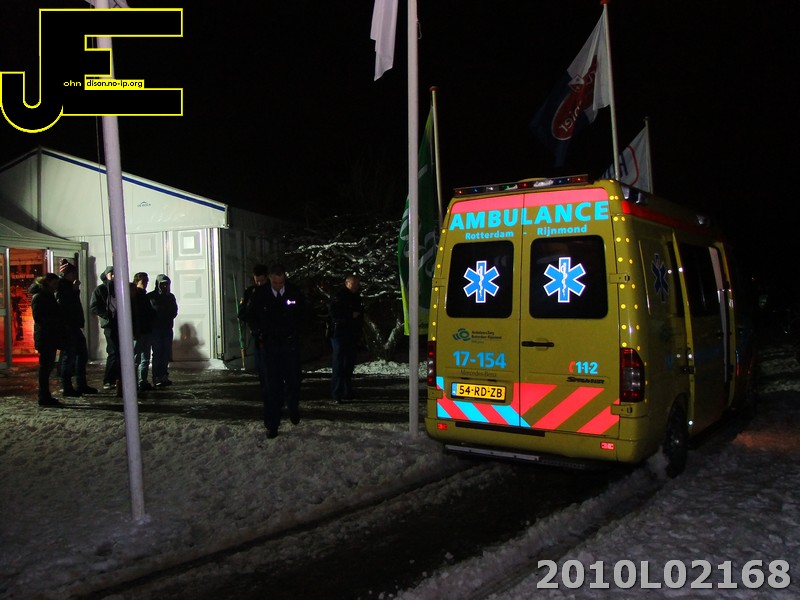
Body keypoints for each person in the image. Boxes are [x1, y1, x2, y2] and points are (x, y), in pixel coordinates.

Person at [242, 263, 306, 439]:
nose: (278, 286)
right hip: (269, 346)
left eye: (281, 282)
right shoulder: (260, 294)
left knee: (293, 381)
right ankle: (272, 423)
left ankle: (292, 406)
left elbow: (304, 315)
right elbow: (249, 316)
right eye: (275, 282)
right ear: (270, 279)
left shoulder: (293, 292)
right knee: (271, 386)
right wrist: (259, 332)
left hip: (290, 345)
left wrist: (297, 333)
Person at [56, 259, 97, 396]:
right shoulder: (62, 287)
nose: (75, 276)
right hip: (68, 326)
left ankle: (81, 384)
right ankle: (67, 386)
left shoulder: (67, 286)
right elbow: (65, 306)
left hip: (73, 326)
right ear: (67, 274)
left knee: (81, 354)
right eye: (73, 273)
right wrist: (74, 291)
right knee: (69, 357)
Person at [30, 273, 66, 407]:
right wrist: (54, 322)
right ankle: (44, 396)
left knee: (47, 367)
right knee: (45, 367)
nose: (56, 286)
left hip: (49, 336)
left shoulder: (48, 295)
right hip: (46, 336)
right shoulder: (40, 297)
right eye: (54, 283)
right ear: (48, 283)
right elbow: (39, 318)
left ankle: (45, 395)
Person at [329, 273, 364, 403]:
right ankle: (337, 393)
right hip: (340, 333)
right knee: (339, 364)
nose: (355, 286)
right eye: (353, 284)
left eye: (357, 284)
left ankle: (346, 391)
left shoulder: (355, 296)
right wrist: (350, 315)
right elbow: (334, 314)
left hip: (351, 333)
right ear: (347, 283)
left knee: (348, 364)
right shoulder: (339, 296)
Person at [238, 264, 269, 388]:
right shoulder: (250, 292)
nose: (259, 284)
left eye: (262, 281)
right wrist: (250, 317)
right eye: (257, 281)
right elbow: (242, 313)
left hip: (271, 332)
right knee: (260, 364)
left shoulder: (271, 290)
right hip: (257, 332)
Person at [89, 266, 120, 392]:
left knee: (120, 352)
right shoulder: (100, 289)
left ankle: (117, 379)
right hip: (109, 324)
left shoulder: (119, 288)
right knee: (113, 352)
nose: (113, 276)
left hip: (119, 323)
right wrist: (107, 315)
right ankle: (109, 380)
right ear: (106, 275)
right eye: (111, 273)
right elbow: (94, 306)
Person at [147, 274, 178, 388]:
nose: (165, 286)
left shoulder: (170, 297)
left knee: (165, 353)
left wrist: (167, 316)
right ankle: (156, 376)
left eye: (166, 284)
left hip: (167, 328)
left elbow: (174, 310)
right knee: (157, 353)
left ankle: (164, 375)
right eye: (163, 284)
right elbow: (149, 312)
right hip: (155, 329)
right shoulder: (151, 296)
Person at [131, 272, 156, 392]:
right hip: (139, 331)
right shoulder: (135, 297)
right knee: (137, 358)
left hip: (145, 330)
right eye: (143, 281)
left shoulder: (144, 296)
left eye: (146, 281)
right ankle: (137, 381)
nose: (145, 284)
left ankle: (142, 381)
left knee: (144, 358)